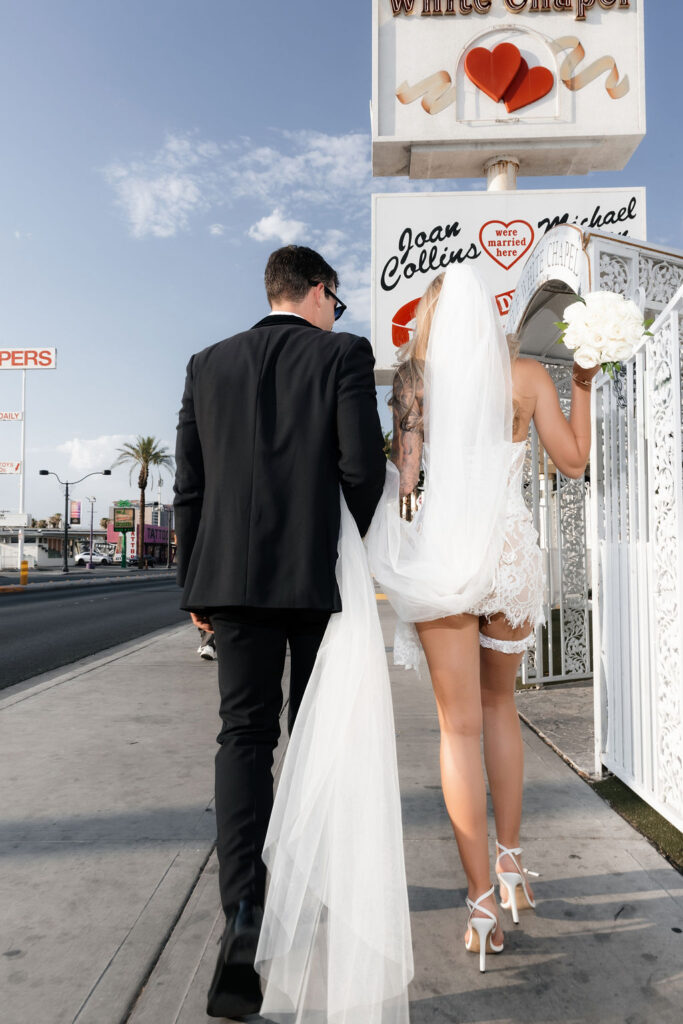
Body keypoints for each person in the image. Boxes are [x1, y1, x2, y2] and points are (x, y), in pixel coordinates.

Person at [173, 245, 386, 1019]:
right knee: (317, 731)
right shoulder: (341, 355)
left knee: (243, 736)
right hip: (310, 577)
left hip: (227, 579)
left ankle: (244, 919)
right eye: (338, 299)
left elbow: (187, 485)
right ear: (318, 291)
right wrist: (346, 552)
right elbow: (362, 467)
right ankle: (308, 890)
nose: (339, 312)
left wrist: (192, 581)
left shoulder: (206, 363)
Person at [366, 265, 598, 972]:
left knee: (456, 728)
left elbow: (406, 482)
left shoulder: (412, 382)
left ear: (432, 321)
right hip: (506, 553)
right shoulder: (524, 375)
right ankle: (511, 863)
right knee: (500, 713)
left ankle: (478, 906)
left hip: (445, 554)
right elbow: (574, 462)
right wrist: (583, 385)